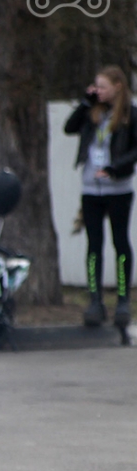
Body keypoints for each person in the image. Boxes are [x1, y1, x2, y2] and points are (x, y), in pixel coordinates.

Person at [64, 66, 137, 329]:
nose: (99, 91)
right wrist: (86, 102)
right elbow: (69, 128)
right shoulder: (92, 111)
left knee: (120, 242)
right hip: (91, 189)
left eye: (103, 87)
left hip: (118, 188)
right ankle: (95, 300)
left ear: (117, 87)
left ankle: (122, 299)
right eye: (96, 86)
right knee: (94, 244)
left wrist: (116, 168)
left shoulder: (130, 113)